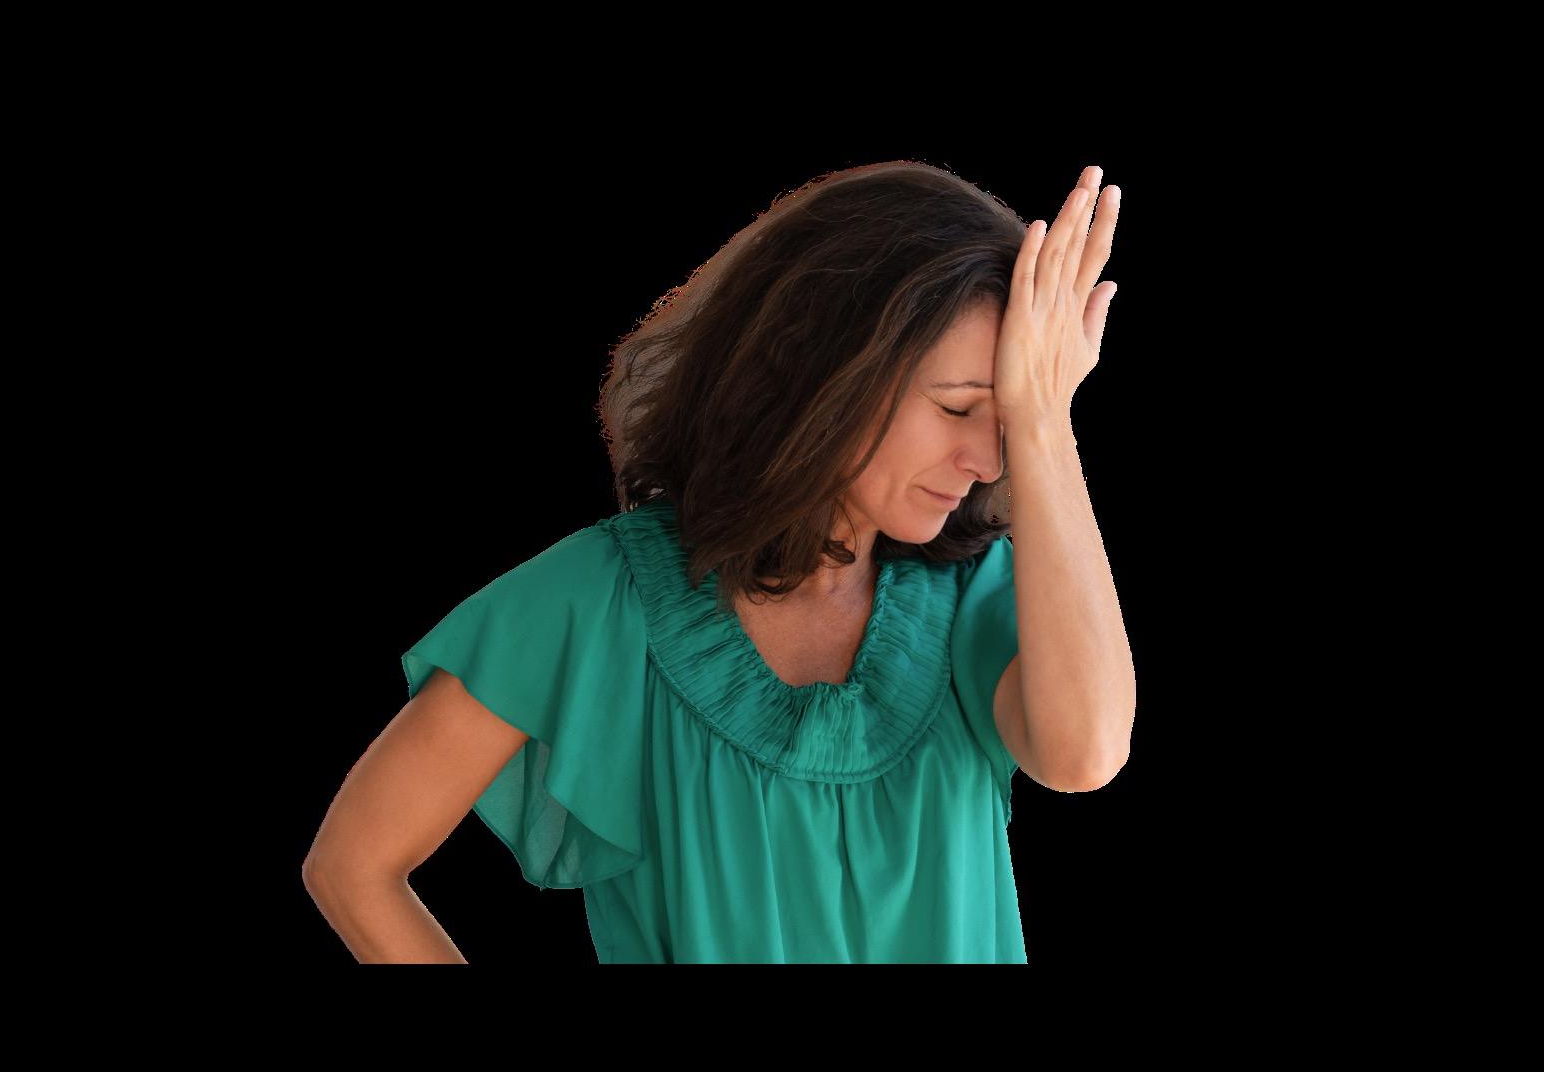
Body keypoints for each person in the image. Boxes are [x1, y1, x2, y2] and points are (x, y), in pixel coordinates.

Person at [302, 160, 1119, 963]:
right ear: (827, 370)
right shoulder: (599, 601)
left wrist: (1046, 419)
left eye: (1008, 417)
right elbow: (353, 867)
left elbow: (1084, 756)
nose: (988, 458)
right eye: (959, 407)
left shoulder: (981, 600)